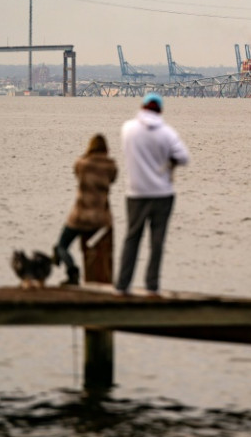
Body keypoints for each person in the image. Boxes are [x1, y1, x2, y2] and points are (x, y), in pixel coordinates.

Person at [115, 92, 189, 296]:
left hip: (136, 193)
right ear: (161, 110)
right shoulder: (167, 133)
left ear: (142, 106)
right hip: (162, 195)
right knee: (157, 242)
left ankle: (122, 285)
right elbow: (184, 157)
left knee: (132, 239)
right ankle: (152, 285)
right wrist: (168, 160)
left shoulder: (127, 129)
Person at [53, 134, 117, 285]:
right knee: (96, 252)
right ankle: (100, 280)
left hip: (80, 217)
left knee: (61, 245)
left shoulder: (82, 164)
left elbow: (76, 171)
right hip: (100, 218)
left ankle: (72, 271)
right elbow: (113, 179)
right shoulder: (111, 166)